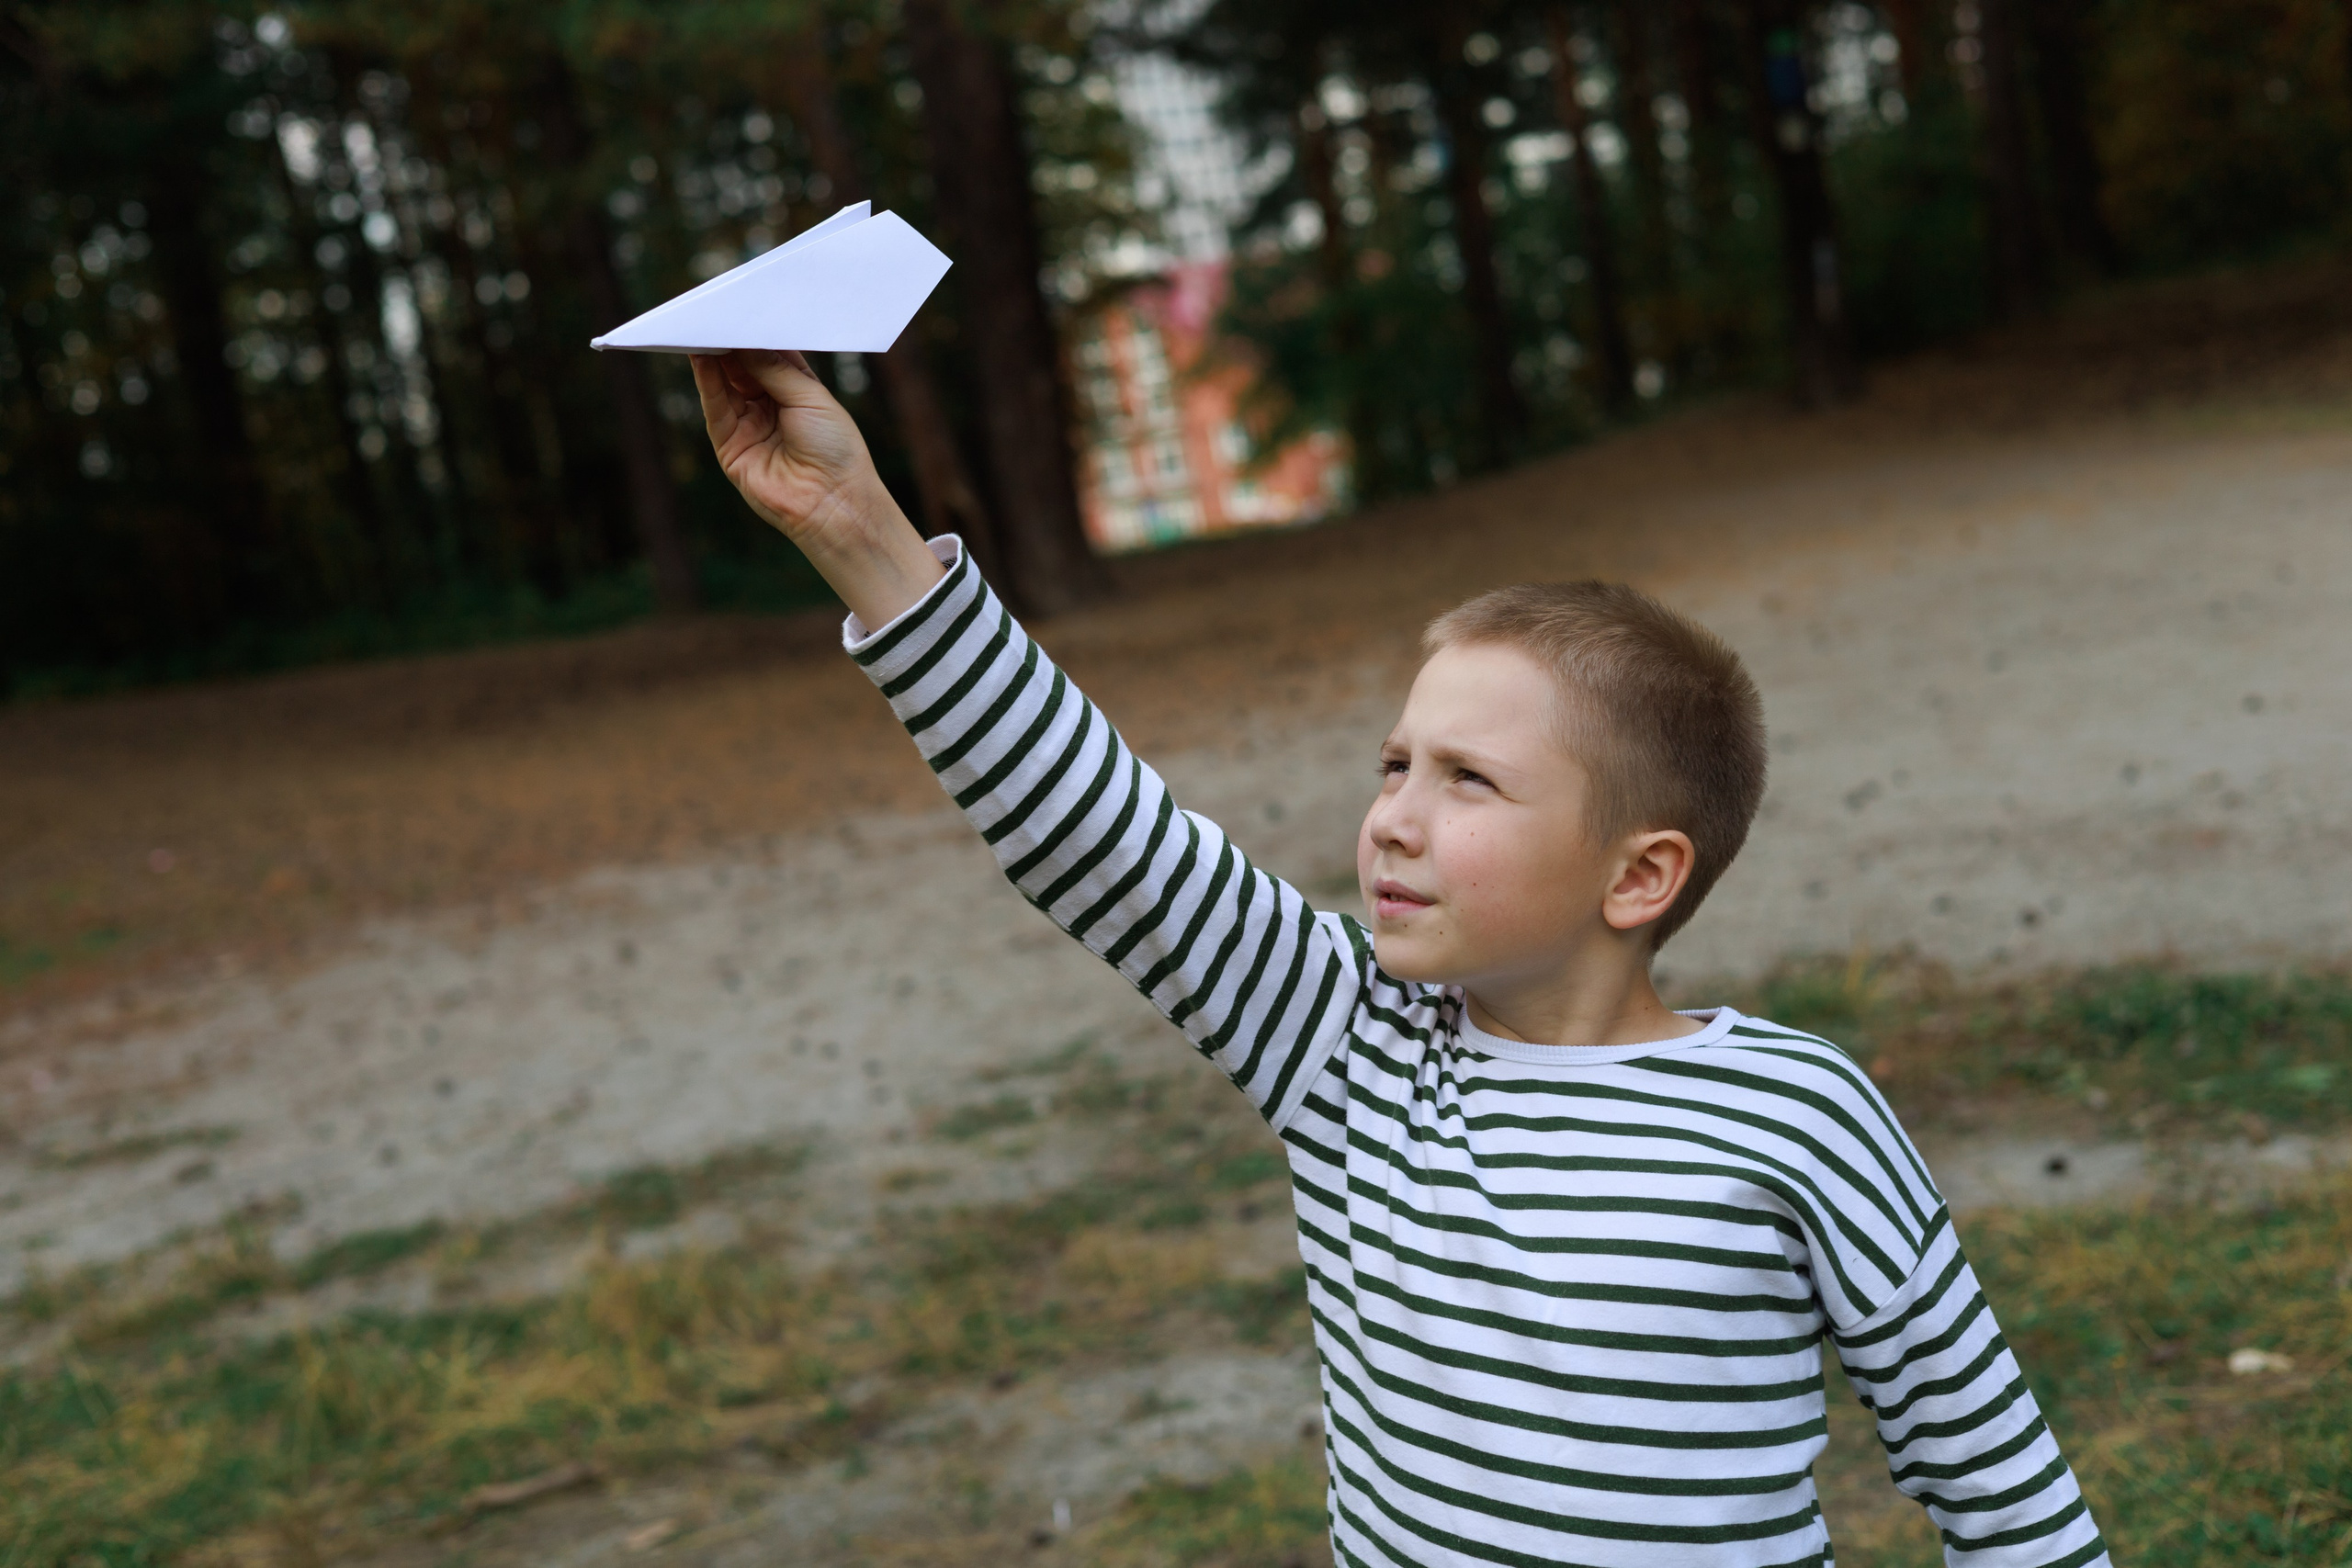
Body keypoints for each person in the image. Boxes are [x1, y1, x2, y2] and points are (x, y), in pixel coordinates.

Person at [687, 346, 2109, 1568]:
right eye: (1392, 765)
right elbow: (1100, 837)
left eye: (1467, 784)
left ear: (1640, 876)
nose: (1393, 822)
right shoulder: (1351, 1047)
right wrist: (860, 530)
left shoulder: (1797, 1118)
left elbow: (1998, 1490)